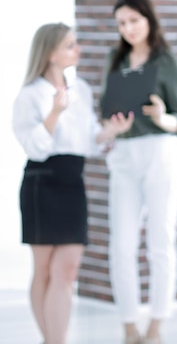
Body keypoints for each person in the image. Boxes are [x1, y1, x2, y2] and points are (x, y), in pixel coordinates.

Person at [12, 23, 133, 344]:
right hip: (41, 182)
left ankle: (56, 340)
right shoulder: (30, 94)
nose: (77, 50)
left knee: (67, 270)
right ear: (50, 53)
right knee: (45, 269)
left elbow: (89, 141)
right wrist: (53, 113)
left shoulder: (80, 89)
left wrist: (112, 132)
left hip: (72, 183)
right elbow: (34, 146)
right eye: (70, 45)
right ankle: (53, 340)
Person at [101, 0, 177, 344]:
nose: (128, 29)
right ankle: (128, 325)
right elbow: (106, 109)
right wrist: (113, 125)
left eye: (134, 20)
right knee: (121, 245)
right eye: (122, 23)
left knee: (160, 241)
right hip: (124, 154)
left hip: (161, 152)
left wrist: (161, 116)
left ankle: (156, 324)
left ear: (148, 19)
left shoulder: (167, 60)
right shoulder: (115, 59)